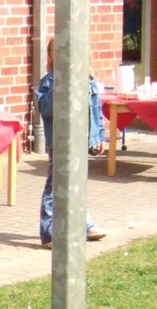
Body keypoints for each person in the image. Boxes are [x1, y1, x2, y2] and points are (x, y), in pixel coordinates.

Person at [35, 36, 108, 247]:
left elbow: (95, 110)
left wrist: (99, 135)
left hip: (81, 140)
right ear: (52, 56)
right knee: (55, 185)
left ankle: (85, 225)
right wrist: (61, 85)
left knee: (77, 183)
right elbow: (45, 108)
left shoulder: (87, 80)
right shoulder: (49, 82)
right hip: (59, 142)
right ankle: (49, 232)